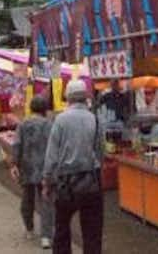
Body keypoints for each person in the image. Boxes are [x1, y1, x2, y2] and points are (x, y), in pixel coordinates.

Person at [43, 79, 103, 254]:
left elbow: (51, 155)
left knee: (62, 228)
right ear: (85, 98)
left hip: (65, 182)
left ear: (68, 98)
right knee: (92, 231)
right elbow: (100, 152)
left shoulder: (60, 120)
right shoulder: (95, 119)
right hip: (90, 181)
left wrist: (47, 180)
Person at [11, 96, 54, 248]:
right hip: (45, 168)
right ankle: (46, 236)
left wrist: (14, 164)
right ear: (45, 109)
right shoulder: (49, 124)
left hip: (27, 167)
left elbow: (17, 145)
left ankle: (29, 228)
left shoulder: (23, 124)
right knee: (46, 202)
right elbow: (53, 147)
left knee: (27, 199)